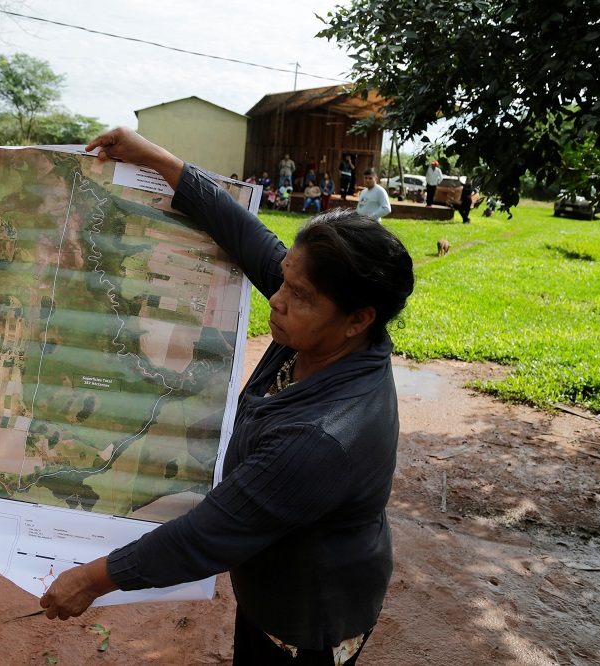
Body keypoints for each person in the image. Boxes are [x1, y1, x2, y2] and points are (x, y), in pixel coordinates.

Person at [40, 127, 415, 666]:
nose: (277, 300)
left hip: (305, 621)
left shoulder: (321, 438)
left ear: (359, 319)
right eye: (284, 281)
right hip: (278, 578)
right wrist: (157, 159)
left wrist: (93, 579)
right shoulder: (328, 338)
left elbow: (207, 535)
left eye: (298, 295)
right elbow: (249, 240)